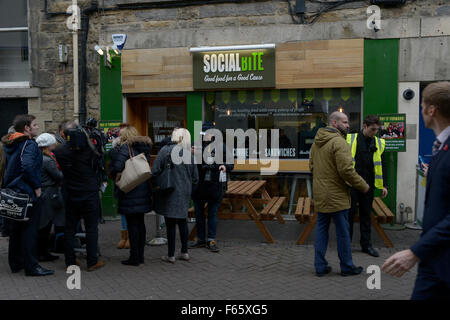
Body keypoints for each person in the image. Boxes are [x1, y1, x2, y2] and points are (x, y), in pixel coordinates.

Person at [382, 82, 450, 300]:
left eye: (422, 106)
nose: (421, 112)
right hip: (435, 257)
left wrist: (415, 252)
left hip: (442, 261)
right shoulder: (442, 146)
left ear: (432, 110)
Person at [309, 111, 369, 277]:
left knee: (321, 231)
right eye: (344, 122)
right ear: (334, 123)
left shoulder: (316, 143)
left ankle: (320, 267)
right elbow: (347, 171)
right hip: (337, 195)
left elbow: (312, 167)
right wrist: (363, 186)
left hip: (321, 194)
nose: (348, 125)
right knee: (343, 232)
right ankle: (347, 267)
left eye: (347, 122)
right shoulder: (339, 142)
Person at [1, 114, 54, 276]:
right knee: (30, 231)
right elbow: (28, 165)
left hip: (12, 192)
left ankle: (16, 263)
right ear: (27, 128)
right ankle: (32, 266)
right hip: (26, 193)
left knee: (16, 230)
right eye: (35, 125)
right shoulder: (29, 144)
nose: (37, 127)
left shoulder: (9, 143)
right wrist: (36, 187)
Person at [53, 121, 105, 271]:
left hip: (70, 193)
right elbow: (99, 157)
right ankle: (92, 261)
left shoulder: (60, 151)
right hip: (89, 193)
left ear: (65, 135)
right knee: (91, 228)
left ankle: (70, 261)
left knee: (69, 228)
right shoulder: (90, 150)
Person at [152, 128, 198, 263]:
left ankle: (170, 255)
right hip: (184, 191)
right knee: (183, 221)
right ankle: (184, 252)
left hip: (169, 190)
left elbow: (155, 170)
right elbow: (195, 177)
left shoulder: (165, 151)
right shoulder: (189, 154)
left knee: (170, 223)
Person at [109, 126, 152, 266]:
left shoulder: (125, 148)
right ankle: (141, 255)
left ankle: (134, 257)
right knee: (140, 223)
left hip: (130, 190)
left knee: (132, 224)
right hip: (143, 188)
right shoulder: (144, 147)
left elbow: (117, 167)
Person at [346, 115, 388, 257]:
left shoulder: (379, 143)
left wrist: (385, 185)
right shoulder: (350, 139)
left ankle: (366, 245)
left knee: (366, 216)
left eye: (376, 129)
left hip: (368, 186)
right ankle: (347, 245)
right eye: (372, 129)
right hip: (352, 185)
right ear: (364, 126)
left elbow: (383, 164)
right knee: (349, 216)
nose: (374, 132)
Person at [190, 122, 233, 253]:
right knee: (199, 214)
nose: (205, 136)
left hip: (215, 185)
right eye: (203, 133)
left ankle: (211, 239)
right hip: (198, 186)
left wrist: (225, 166)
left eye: (207, 133)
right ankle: (201, 239)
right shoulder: (194, 146)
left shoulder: (221, 146)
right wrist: (190, 153)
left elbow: (231, 163)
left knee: (213, 213)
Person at [35, 133, 64, 262]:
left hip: (45, 192)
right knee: (45, 225)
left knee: (44, 225)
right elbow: (58, 176)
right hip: (48, 193)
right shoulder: (47, 160)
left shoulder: (39, 157)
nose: (55, 146)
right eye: (53, 143)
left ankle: (43, 252)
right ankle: (42, 253)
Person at [109, 123, 131, 250]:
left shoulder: (133, 147)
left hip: (132, 182)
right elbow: (112, 168)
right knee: (122, 211)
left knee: (131, 210)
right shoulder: (115, 149)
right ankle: (124, 236)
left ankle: (130, 237)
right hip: (121, 183)